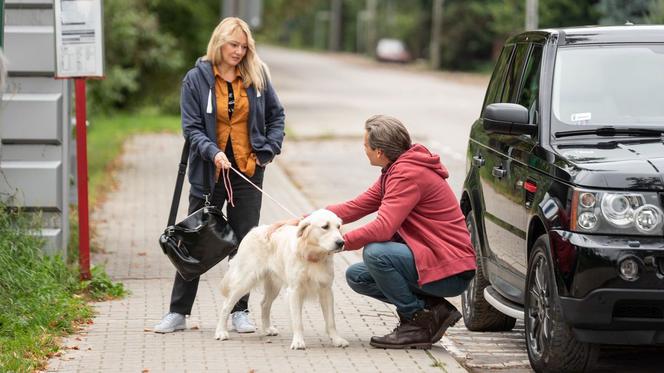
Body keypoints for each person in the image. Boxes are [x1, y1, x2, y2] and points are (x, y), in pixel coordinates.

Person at [274, 115, 475, 349]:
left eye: (365, 146)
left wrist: (338, 243)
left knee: (376, 253)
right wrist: (304, 221)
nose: (365, 150)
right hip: (431, 259)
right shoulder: (396, 169)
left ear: (379, 151)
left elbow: (383, 227)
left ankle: (416, 322)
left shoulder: (407, 174)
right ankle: (434, 311)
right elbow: (357, 206)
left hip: (450, 269)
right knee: (357, 276)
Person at [154, 17, 285, 334]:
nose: (239, 51)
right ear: (219, 43)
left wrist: (267, 150)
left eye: (244, 46)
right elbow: (192, 129)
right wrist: (213, 152)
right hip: (208, 172)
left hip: (247, 171)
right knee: (195, 241)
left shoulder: (257, 76)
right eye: (233, 45)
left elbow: (276, 116)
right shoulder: (196, 79)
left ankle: (240, 311)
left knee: (244, 244)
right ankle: (178, 313)